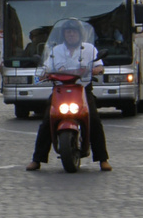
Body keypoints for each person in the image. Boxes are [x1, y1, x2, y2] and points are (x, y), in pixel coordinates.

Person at [26, 19, 111, 172]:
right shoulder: (55, 51)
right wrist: (44, 74)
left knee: (94, 120)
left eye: (73, 32)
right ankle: (37, 159)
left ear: (80, 34)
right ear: (63, 34)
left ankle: (102, 159)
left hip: (82, 89)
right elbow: (45, 68)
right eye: (68, 32)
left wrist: (95, 70)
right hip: (60, 90)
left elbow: (99, 67)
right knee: (47, 121)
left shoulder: (89, 49)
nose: (71, 34)